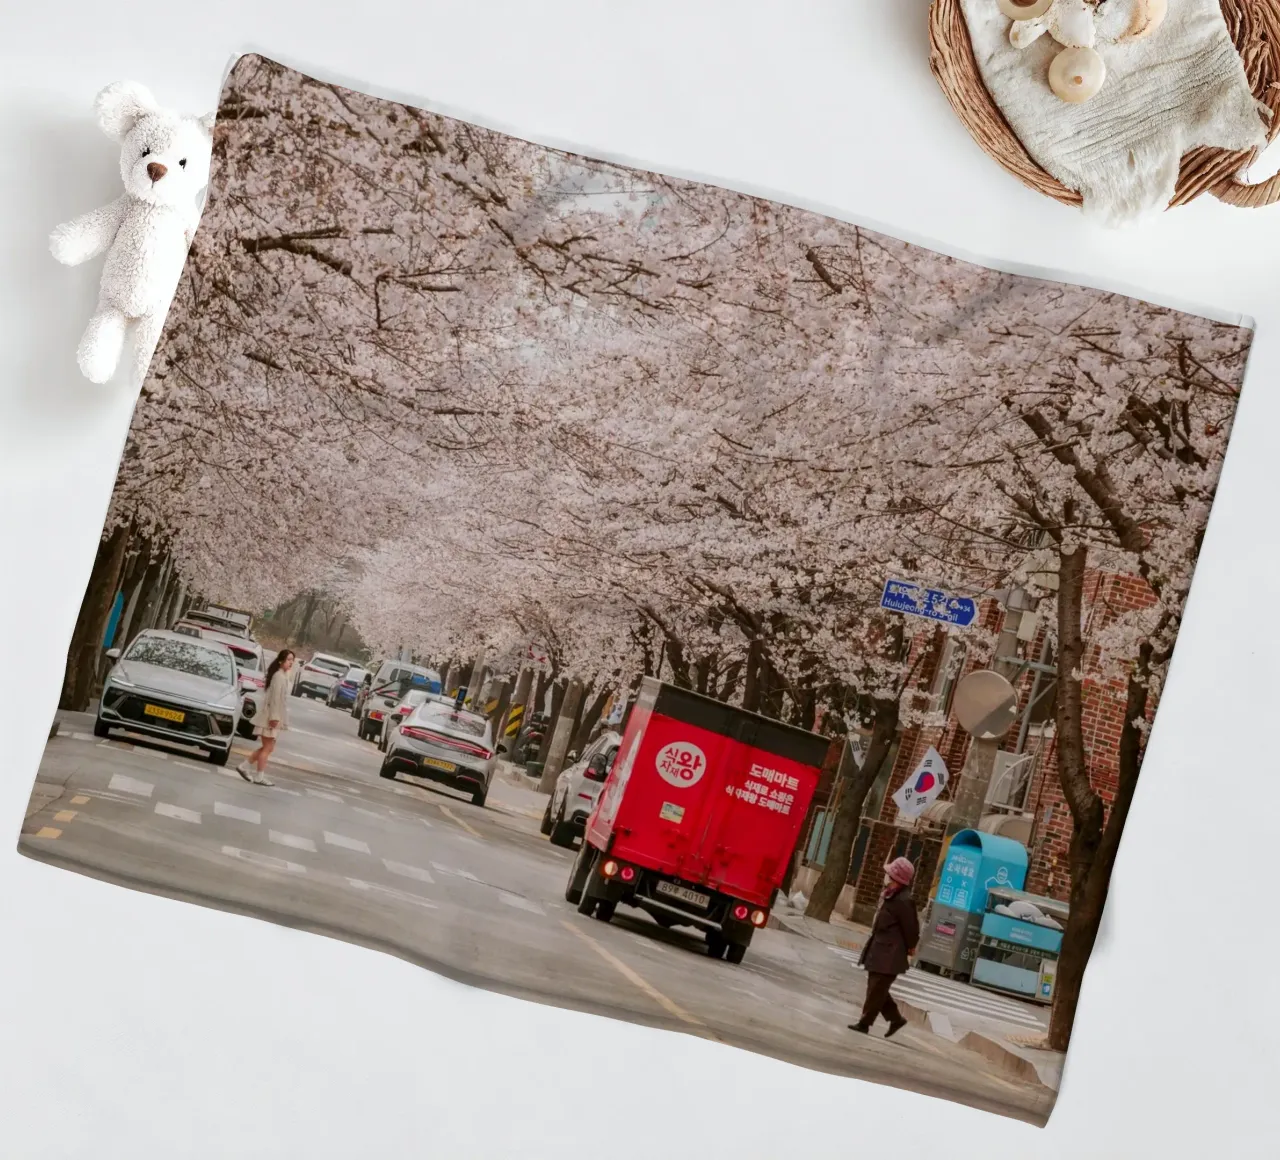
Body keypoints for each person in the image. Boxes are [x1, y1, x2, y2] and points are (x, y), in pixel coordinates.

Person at [849, 856, 920, 1039]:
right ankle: (896, 1019)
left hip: (891, 953)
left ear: (898, 878)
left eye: (890, 875)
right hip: (880, 949)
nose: (886, 877)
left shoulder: (904, 900)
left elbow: (911, 927)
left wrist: (911, 946)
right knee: (877, 988)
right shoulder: (891, 895)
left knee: (876, 989)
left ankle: (865, 1023)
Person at [237, 648, 295, 786]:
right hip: (270, 717)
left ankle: (244, 766)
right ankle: (258, 776)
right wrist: (274, 717)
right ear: (281, 661)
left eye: (292, 660)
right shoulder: (278, 676)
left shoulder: (282, 675)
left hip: (273, 716)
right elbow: (275, 699)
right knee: (267, 748)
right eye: (288, 660)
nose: (291, 662)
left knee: (268, 748)